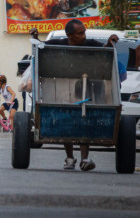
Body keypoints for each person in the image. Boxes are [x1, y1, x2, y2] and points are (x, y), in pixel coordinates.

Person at [25, 20, 118, 172]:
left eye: (84, 32)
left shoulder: (90, 43)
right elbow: (41, 47)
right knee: (66, 120)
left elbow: (105, 50)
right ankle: (69, 157)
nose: (84, 36)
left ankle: (85, 159)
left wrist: (110, 42)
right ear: (70, 35)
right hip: (65, 87)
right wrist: (35, 36)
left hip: (86, 86)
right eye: (80, 33)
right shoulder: (58, 42)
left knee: (84, 120)